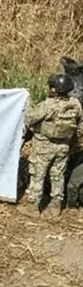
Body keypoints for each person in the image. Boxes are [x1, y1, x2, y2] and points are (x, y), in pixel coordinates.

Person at [21, 73, 83, 218]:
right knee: (58, 175)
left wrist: (29, 106)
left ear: (54, 89)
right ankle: (56, 206)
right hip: (63, 147)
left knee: (37, 175)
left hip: (43, 146)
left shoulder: (47, 105)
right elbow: (80, 127)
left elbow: (29, 119)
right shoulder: (75, 104)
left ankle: (33, 207)